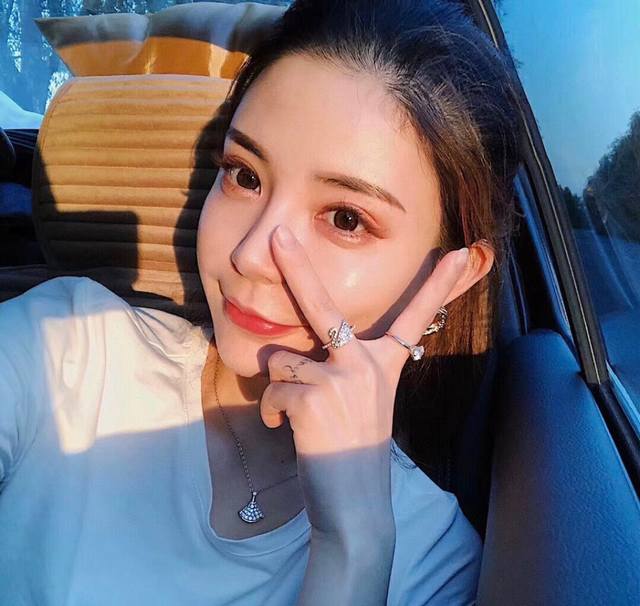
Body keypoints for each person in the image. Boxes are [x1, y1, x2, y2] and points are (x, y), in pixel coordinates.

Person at [0, 0, 522, 604]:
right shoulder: (63, 348)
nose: (249, 254)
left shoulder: (435, 563)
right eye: (244, 175)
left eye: (346, 218)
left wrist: (354, 547)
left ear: (453, 274)